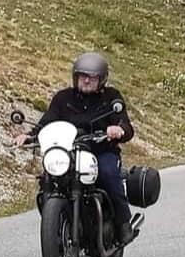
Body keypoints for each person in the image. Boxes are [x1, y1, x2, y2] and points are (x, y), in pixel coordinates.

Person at [14, 52, 135, 244]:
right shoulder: (63, 98)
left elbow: (125, 125)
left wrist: (119, 129)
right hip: (68, 153)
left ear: (101, 79)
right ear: (75, 76)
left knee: (108, 174)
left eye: (92, 77)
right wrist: (29, 136)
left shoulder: (111, 97)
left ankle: (123, 223)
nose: (86, 80)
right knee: (49, 178)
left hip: (101, 151)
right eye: (82, 76)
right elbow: (47, 122)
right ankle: (56, 224)